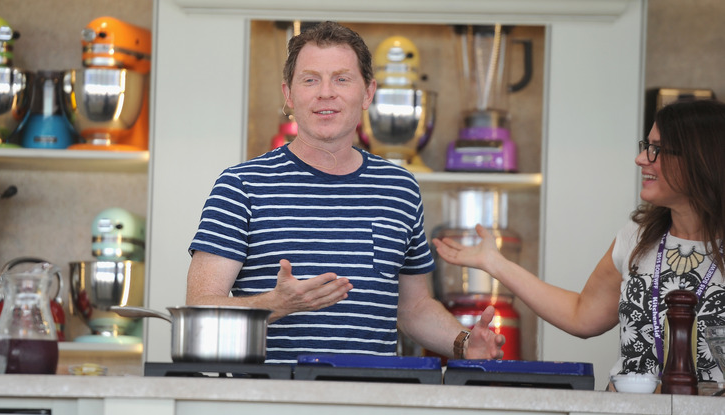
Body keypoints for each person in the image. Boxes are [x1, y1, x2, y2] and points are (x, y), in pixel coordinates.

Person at [186, 21, 505, 364]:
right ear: (289, 95)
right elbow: (201, 306)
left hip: (372, 402)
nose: (326, 92)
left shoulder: (400, 189)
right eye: (310, 79)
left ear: (368, 92)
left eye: (341, 78)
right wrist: (275, 304)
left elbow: (413, 307)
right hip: (268, 401)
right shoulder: (241, 185)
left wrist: (464, 343)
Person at [433, 98, 725, 382]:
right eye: (646, 147)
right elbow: (581, 315)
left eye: (656, 150)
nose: (640, 159)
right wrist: (494, 263)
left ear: (700, 158)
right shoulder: (636, 237)